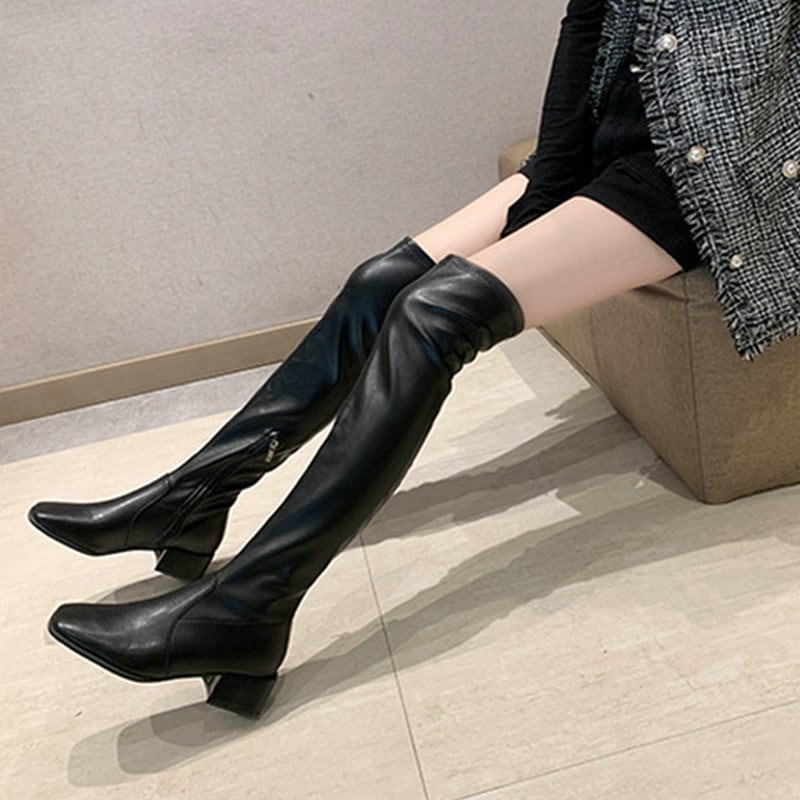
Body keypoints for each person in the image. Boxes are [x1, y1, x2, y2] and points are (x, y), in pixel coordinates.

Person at [29, 0, 731, 719]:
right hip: (616, 140)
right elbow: (588, 20)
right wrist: (548, 186)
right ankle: (193, 499)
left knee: (433, 315)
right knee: (381, 282)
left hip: (711, 170)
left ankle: (246, 609)